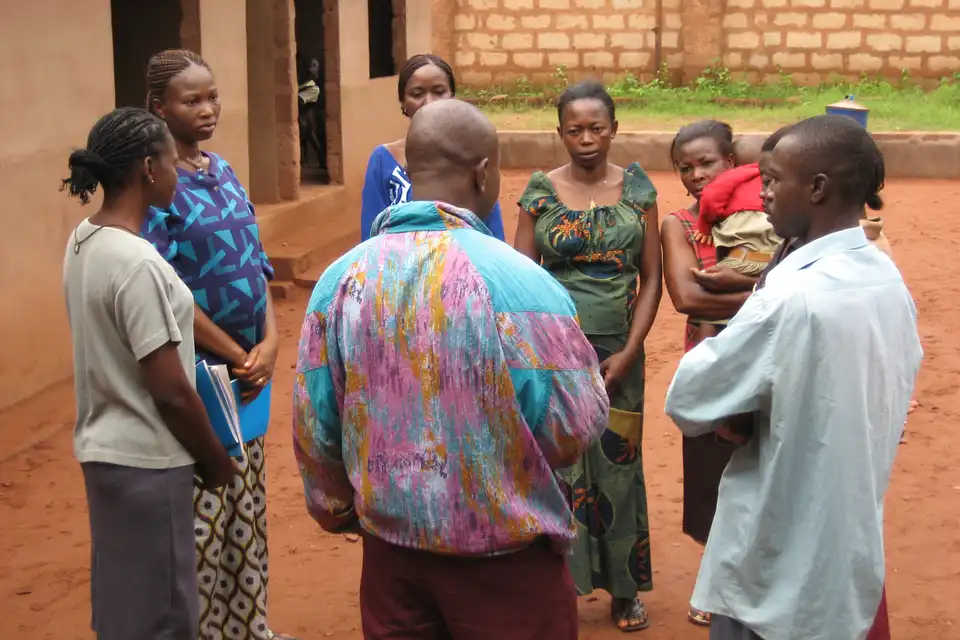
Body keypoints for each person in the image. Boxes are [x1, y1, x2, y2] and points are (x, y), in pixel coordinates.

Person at [293, 99, 608, 640]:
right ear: (484, 171)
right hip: (507, 566)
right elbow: (575, 421)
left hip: (393, 563)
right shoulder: (521, 282)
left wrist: (341, 506)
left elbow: (315, 422)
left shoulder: (340, 281)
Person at [665, 115, 922, 640]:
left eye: (775, 179)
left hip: (775, 552)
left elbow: (690, 398)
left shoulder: (790, 297)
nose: (762, 194)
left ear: (819, 187)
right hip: (846, 542)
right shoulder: (885, 277)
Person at [62, 107, 236, 640]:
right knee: (164, 615)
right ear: (147, 168)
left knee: (122, 610)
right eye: (169, 160)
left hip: (105, 457)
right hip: (149, 464)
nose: (178, 172)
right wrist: (216, 461)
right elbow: (170, 391)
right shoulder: (138, 264)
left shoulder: (84, 240)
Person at [141, 49, 292, 640]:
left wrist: (274, 339)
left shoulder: (223, 170)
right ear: (159, 107)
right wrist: (233, 352)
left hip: (252, 373)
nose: (208, 110)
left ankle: (251, 628)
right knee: (205, 513)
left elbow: (255, 264)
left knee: (247, 510)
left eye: (212, 96)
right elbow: (167, 290)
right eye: (191, 100)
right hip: (202, 376)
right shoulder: (158, 185)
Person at [514, 80, 662, 633]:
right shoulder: (540, 193)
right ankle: (560, 589)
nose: (586, 139)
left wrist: (628, 351)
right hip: (554, 357)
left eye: (597, 127)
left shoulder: (638, 191)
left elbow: (651, 282)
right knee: (557, 466)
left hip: (619, 356)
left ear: (615, 129)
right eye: (574, 129)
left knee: (619, 466)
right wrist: (548, 352)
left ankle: (625, 590)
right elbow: (521, 277)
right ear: (560, 133)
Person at [661, 119, 759, 627]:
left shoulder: (763, 215)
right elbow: (686, 296)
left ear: (733, 163)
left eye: (708, 163)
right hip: (708, 368)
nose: (697, 175)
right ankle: (716, 582)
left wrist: (733, 294)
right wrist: (768, 291)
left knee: (760, 468)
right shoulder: (679, 224)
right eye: (686, 167)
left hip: (763, 369)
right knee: (710, 478)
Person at [359, 53, 505, 242]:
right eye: (417, 94)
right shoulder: (383, 160)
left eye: (438, 91)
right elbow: (371, 237)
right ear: (403, 103)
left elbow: (493, 235)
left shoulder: (473, 153)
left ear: (452, 96)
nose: (429, 101)